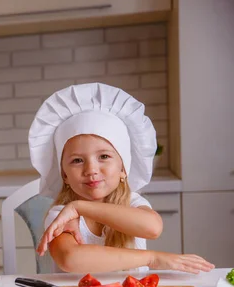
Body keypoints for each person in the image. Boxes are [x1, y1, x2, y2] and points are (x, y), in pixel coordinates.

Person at [30, 83, 214, 274]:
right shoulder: (60, 214)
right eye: (77, 160)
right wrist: (152, 258)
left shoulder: (132, 203)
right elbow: (71, 259)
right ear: (64, 175)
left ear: (123, 169)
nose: (91, 170)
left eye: (104, 157)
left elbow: (152, 228)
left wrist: (79, 207)